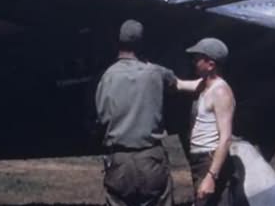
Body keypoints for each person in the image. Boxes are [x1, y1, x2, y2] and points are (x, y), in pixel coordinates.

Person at [95, 20, 197, 206]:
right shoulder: (155, 72)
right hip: (150, 158)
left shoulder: (106, 77)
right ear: (141, 43)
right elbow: (179, 85)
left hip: (118, 160)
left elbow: (101, 118)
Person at [185, 38, 236, 206]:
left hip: (210, 160)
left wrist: (211, 177)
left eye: (198, 58)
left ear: (210, 64)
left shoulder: (221, 92)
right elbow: (179, 84)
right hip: (201, 160)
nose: (194, 62)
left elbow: (226, 138)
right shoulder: (204, 85)